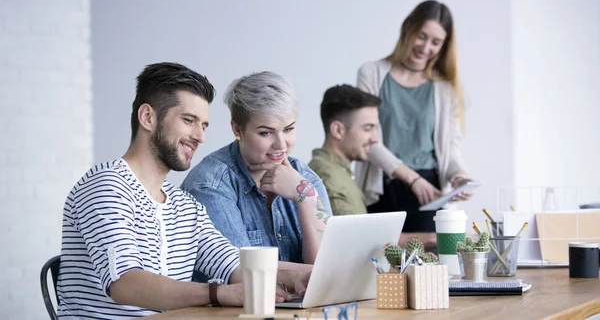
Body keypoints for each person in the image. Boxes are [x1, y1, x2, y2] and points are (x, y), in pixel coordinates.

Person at [57, 63, 307, 319]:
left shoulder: (184, 206)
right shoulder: (106, 186)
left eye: (204, 126)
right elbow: (125, 283)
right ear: (148, 118)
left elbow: (236, 264)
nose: (200, 136)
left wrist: (303, 275)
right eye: (189, 120)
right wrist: (217, 293)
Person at [182, 71, 332, 270]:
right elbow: (242, 272)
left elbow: (327, 269)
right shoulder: (210, 185)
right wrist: (321, 273)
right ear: (237, 129)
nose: (281, 145)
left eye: (288, 129)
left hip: (298, 301)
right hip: (234, 301)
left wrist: (307, 197)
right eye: (265, 132)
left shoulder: (305, 178)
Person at [354, 0, 476, 234]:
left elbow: (451, 148)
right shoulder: (371, 73)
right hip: (383, 185)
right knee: (380, 264)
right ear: (407, 29)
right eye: (422, 36)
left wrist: (459, 176)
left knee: (427, 267)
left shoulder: (445, 88)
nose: (426, 47)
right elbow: (366, 138)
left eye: (436, 42)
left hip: (427, 192)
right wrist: (411, 178)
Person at [309, 84, 436, 248]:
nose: (376, 139)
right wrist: (431, 239)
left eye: (376, 129)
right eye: (368, 128)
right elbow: (358, 241)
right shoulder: (329, 177)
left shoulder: (339, 171)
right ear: (338, 130)